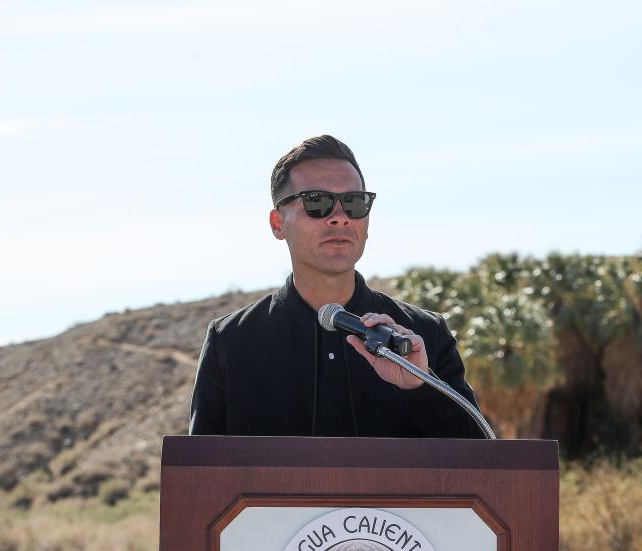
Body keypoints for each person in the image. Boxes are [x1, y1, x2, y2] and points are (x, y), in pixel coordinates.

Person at [189, 134, 484, 438]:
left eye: (355, 203)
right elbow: (199, 475)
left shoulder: (424, 335)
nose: (340, 218)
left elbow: (483, 462)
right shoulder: (231, 342)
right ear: (278, 224)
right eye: (317, 202)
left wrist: (420, 386)